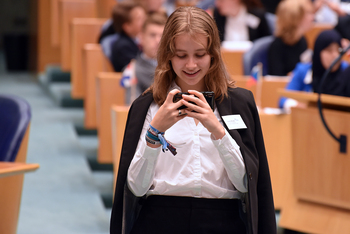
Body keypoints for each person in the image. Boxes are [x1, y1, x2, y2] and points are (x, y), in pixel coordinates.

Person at [110, 6, 276, 234]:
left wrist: (217, 130)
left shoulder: (240, 103)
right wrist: (154, 132)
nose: (190, 65)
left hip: (223, 221)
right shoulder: (147, 106)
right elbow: (136, 188)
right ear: (168, 55)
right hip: (160, 220)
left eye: (199, 55)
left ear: (213, 55)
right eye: (181, 55)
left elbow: (248, 185)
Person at [279, 29, 349, 112]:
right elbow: (283, 100)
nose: (335, 55)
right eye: (329, 51)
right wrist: (299, 106)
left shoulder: (346, 71)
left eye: (338, 50)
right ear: (318, 52)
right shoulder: (303, 71)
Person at [120, 12, 167, 104]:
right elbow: (132, 106)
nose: (158, 41)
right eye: (152, 35)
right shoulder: (132, 70)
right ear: (141, 38)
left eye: (162, 36)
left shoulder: (176, 67)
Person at [268, 0, 315, 76]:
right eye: (308, 13)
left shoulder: (302, 40)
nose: (312, 18)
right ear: (295, 18)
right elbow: (276, 78)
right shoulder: (277, 47)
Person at [109, 1, 147, 72]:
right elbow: (138, 70)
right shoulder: (122, 46)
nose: (145, 21)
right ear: (127, 27)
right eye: (140, 19)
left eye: (145, 16)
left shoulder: (135, 39)